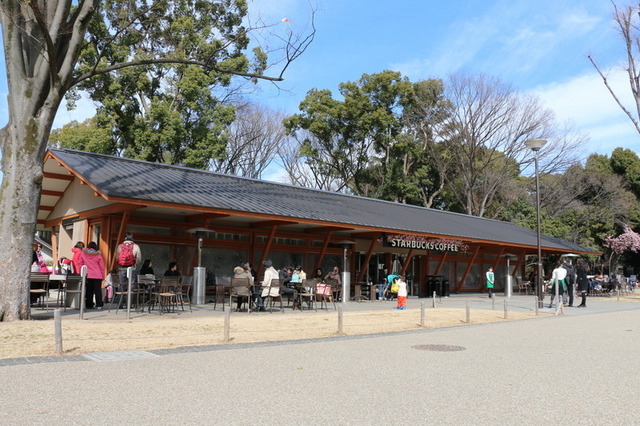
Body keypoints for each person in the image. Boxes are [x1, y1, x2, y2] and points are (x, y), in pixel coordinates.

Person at [76, 241, 105, 309]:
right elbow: (102, 266)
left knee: (89, 290)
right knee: (98, 290)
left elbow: (80, 263)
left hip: (87, 274)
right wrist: (103, 276)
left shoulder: (83, 254)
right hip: (98, 275)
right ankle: (99, 304)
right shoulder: (98, 254)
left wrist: (81, 272)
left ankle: (89, 304)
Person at [115, 233, 142, 308]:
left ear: (125, 238)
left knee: (121, 285)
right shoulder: (135, 246)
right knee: (131, 286)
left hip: (121, 268)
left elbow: (117, 257)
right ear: (132, 238)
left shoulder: (120, 246)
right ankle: (128, 304)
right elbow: (139, 258)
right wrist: (135, 263)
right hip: (131, 268)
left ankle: (120, 304)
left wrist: (120, 264)